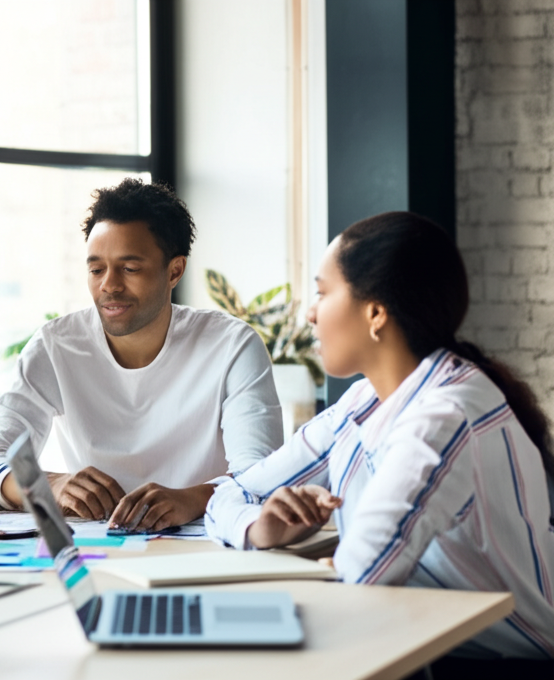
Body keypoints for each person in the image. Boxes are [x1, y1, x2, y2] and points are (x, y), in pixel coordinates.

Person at [205, 212, 554, 666]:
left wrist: (327, 568)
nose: (310, 312)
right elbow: (231, 492)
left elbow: (360, 579)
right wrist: (260, 528)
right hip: (427, 646)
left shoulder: (444, 416)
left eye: (322, 292)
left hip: (508, 665)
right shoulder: (365, 400)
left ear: (374, 313)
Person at [0, 179, 283, 531]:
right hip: (101, 544)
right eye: (96, 269)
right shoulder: (56, 346)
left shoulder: (232, 346)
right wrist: (50, 485)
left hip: (206, 541)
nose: (109, 285)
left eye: (130, 269)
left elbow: (261, 477)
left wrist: (191, 499)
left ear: (174, 271)